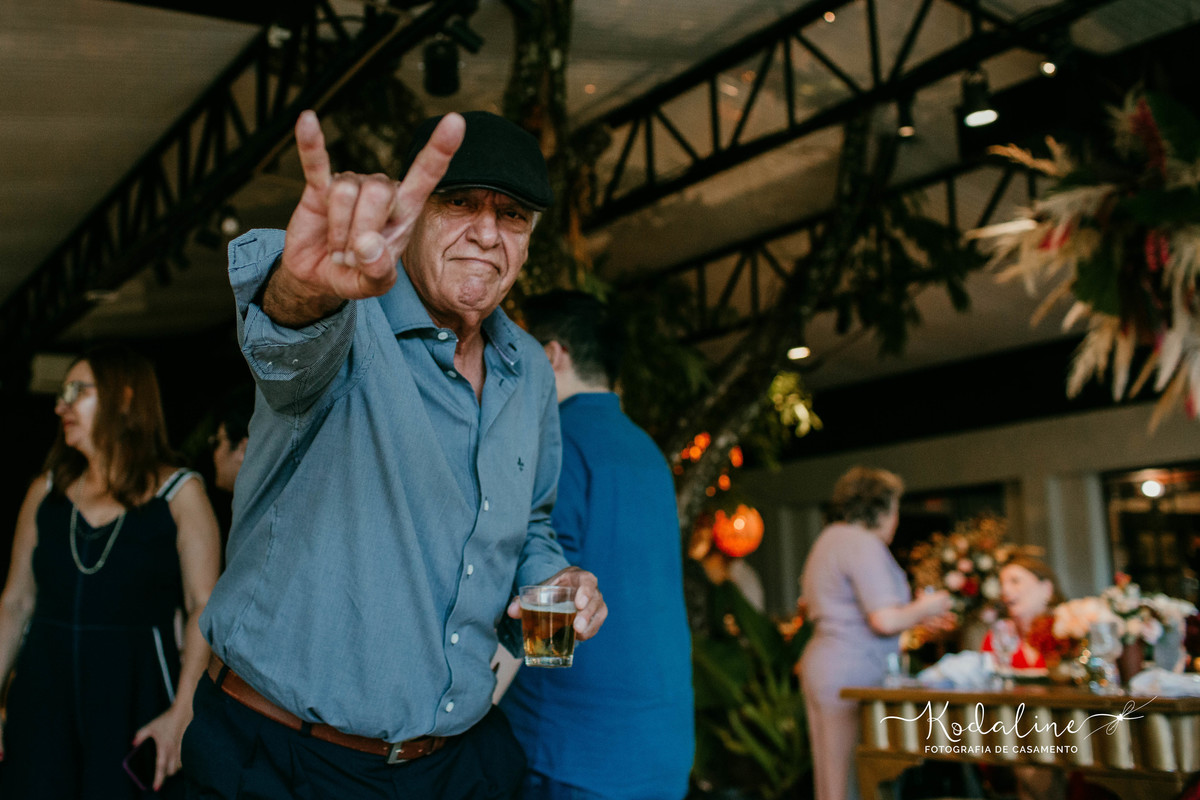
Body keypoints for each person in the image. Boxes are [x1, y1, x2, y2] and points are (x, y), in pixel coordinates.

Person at [183, 110, 608, 799]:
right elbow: (285, 339)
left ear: (529, 240)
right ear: (412, 218)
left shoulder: (529, 369)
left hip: (459, 761)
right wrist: (310, 284)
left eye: (512, 215)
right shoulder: (348, 318)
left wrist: (556, 593)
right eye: (460, 203)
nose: (487, 232)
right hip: (285, 760)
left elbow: (528, 524)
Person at [0, 345, 222, 798]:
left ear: (124, 399)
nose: (60, 406)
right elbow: (15, 602)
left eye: (76, 391)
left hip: (136, 699)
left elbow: (203, 605)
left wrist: (184, 710)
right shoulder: (45, 491)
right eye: (61, 394)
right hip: (43, 699)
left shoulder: (180, 493)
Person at [498, 290, 694, 800]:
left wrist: (471, 708)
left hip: (574, 747)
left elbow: (547, 588)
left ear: (551, 355)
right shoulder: (647, 450)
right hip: (659, 743)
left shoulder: (561, 438)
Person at [799, 467, 954, 800]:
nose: (896, 520)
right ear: (880, 509)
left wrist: (914, 619)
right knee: (852, 779)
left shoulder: (830, 538)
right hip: (850, 669)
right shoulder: (862, 543)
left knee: (831, 777)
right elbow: (883, 620)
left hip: (826, 662)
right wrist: (930, 605)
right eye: (895, 509)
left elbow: (853, 612)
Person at [981, 555, 1066, 668]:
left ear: (1047, 588)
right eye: (1001, 584)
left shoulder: (1067, 631)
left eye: (1015, 581)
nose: (1005, 590)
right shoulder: (998, 637)